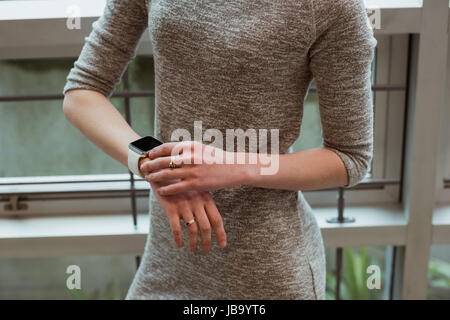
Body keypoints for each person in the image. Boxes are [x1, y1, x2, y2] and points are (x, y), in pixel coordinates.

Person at [62, 0, 377, 299]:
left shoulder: (331, 7)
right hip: (167, 261)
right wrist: (152, 163)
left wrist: (230, 166)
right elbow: (82, 92)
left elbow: (350, 157)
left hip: (266, 270)